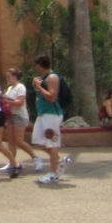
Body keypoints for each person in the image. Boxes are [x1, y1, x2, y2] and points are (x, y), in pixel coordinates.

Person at [30, 54, 70, 184]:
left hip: (52, 114)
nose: (35, 67)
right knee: (36, 140)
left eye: (36, 64)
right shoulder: (42, 78)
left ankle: (53, 174)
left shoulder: (52, 77)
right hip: (43, 114)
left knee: (51, 143)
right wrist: (36, 85)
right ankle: (59, 159)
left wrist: (39, 87)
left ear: (39, 65)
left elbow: (52, 97)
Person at [1, 68, 38, 173]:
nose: (7, 79)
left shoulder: (20, 87)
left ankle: (35, 157)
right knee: (10, 140)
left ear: (15, 77)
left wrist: (7, 101)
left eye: (9, 76)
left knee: (19, 141)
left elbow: (20, 102)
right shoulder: (9, 88)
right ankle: (12, 162)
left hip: (20, 116)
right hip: (11, 116)